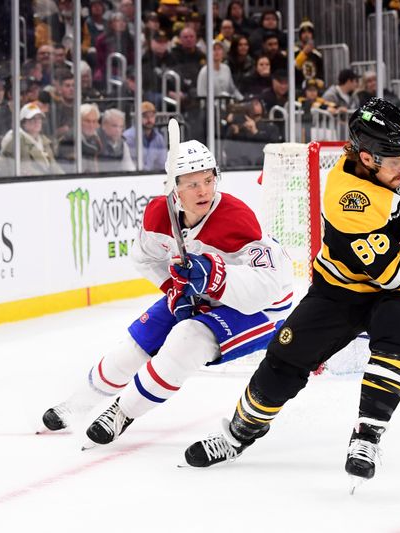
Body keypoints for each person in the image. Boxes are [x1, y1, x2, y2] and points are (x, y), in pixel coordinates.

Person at [182, 98, 400, 490]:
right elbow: (394, 272)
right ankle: (238, 434)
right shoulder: (348, 200)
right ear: (367, 157)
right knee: (284, 359)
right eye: (396, 163)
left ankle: (367, 437)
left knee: (396, 334)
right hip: (344, 290)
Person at [41, 137, 294, 445]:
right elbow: (144, 258)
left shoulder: (236, 220)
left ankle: (122, 411)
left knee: (186, 340)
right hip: (202, 293)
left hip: (261, 307)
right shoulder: (160, 214)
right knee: (134, 348)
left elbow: (266, 287)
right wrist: (175, 289)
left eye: (208, 180)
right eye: (191, 184)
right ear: (174, 187)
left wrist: (216, 278)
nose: (203, 190)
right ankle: (78, 404)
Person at [0, 102, 62, 176]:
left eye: (39, 118)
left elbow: (54, 166)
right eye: (32, 118)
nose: (37, 121)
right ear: (23, 122)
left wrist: (65, 179)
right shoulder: (16, 142)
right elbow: (25, 170)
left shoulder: (44, 141)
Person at [123, 101, 167, 171]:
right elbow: (129, 164)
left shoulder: (159, 138)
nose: (149, 120)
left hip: (152, 177)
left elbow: (163, 164)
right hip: (134, 177)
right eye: (145, 116)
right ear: (137, 117)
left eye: (152, 116)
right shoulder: (128, 137)